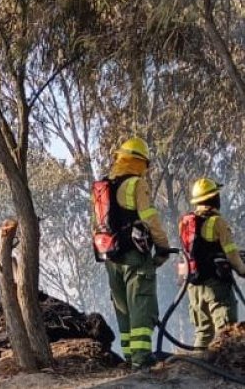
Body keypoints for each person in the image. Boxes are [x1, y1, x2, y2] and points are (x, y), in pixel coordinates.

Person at [91, 137, 170, 369]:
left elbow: (96, 225)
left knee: (122, 306)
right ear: (139, 162)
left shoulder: (102, 188)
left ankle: (129, 357)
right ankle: (142, 359)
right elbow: (150, 218)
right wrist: (162, 246)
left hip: (111, 257)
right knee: (141, 305)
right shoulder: (136, 184)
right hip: (135, 257)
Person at [178, 177, 245, 350]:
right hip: (216, 287)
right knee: (226, 332)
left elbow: (201, 250)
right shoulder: (217, 222)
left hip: (193, 286)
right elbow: (231, 255)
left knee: (203, 332)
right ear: (214, 198)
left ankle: (199, 371)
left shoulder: (185, 222)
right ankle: (225, 371)